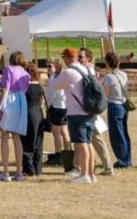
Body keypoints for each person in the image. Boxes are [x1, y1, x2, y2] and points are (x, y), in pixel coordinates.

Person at [51, 47, 95, 183]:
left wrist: (55, 73)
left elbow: (54, 86)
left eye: (64, 58)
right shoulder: (86, 69)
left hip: (77, 112)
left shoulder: (68, 72)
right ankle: (91, 174)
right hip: (89, 110)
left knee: (81, 144)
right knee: (88, 143)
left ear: (68, 58)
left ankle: (85, 174)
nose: (63, 60)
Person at [0, 51, 30, 182]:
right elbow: (24, 90)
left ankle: (6, 172)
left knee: (4, 136)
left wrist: (0, 106)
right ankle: (19, 172)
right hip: (20, 102)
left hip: (9, 100)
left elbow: (5, 89)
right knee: (17, 137)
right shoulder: (26, 73)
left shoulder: (8, 69)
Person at [80, 48, 113, 176]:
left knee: (94, 138)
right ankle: (94, 166)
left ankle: (106, 167)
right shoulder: (86, 69)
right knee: (91, 139)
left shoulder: (89, 70)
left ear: (88, 58)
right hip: (88, 109)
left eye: (81, 56)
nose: (79, 59)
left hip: (90, 109)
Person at [102, 51, 132, 169]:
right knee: (124, 133)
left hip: (114, 106)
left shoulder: (109, 78)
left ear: (107, 64)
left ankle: (123, 161)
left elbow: (106, 94)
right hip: (124, 105)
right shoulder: (123, 74)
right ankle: (127, 158)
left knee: (117, 135)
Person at [21, 61, 45, 177]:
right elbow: (41, 101)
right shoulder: (39, 85)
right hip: (38, 113)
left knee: (27, 141)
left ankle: (28, 169)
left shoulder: (25, 86)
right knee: (38, 142)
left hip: (28, 113)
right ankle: (38, 168)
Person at [45, 59, 71, 167]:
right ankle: (68, 154)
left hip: (57, 106)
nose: (48, 68)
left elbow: (52, 95)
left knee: (56, 133)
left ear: (56, 67)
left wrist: (48, 106)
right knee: (64, 131)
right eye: (47, 66)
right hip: (65, 106)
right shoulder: (64, 76)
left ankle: (58, 155)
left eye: (50, 66)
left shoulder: (53, 78)